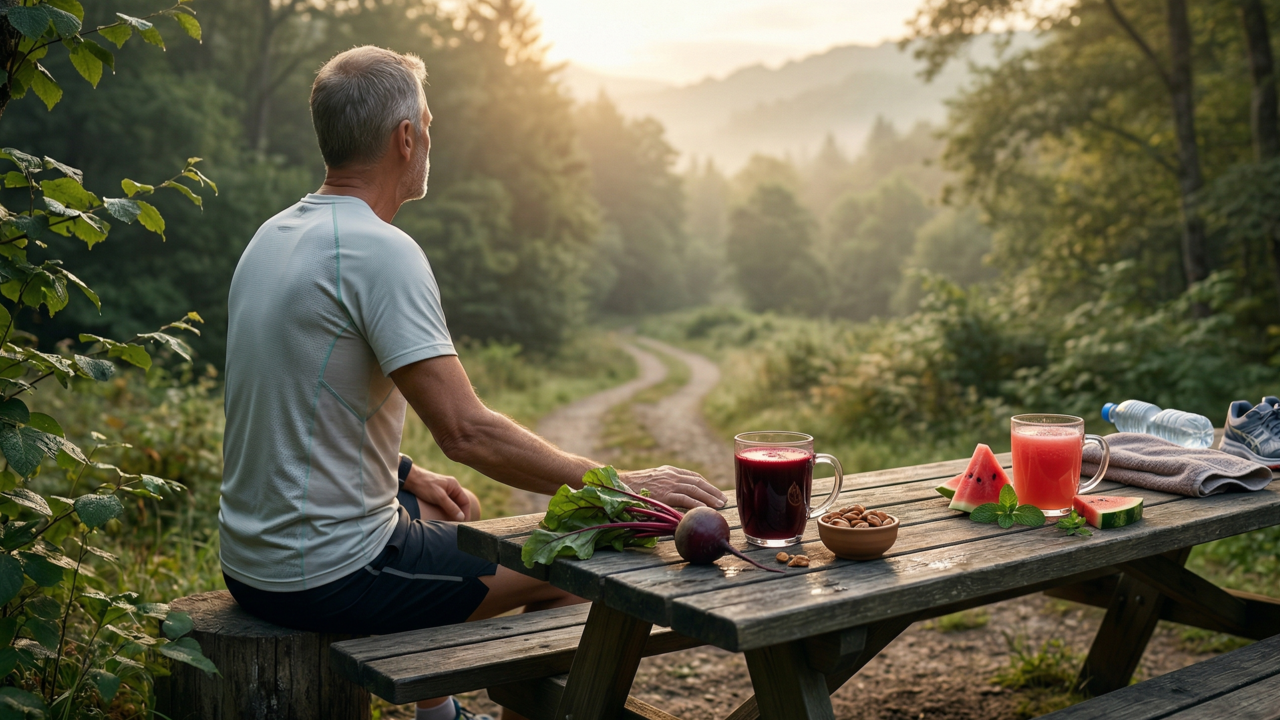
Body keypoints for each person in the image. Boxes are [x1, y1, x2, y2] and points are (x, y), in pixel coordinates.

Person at [217, 46, 726, 720]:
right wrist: (618, 487)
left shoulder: (274, 236)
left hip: (252, 561)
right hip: (329, 575)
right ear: (406, 139)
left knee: (456, 513)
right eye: (429, 124)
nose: (430, 138)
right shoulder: (380, 251)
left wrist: (401, 473)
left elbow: (290, 400)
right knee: (572, 573)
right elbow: (466, 432)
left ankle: (442, 716)